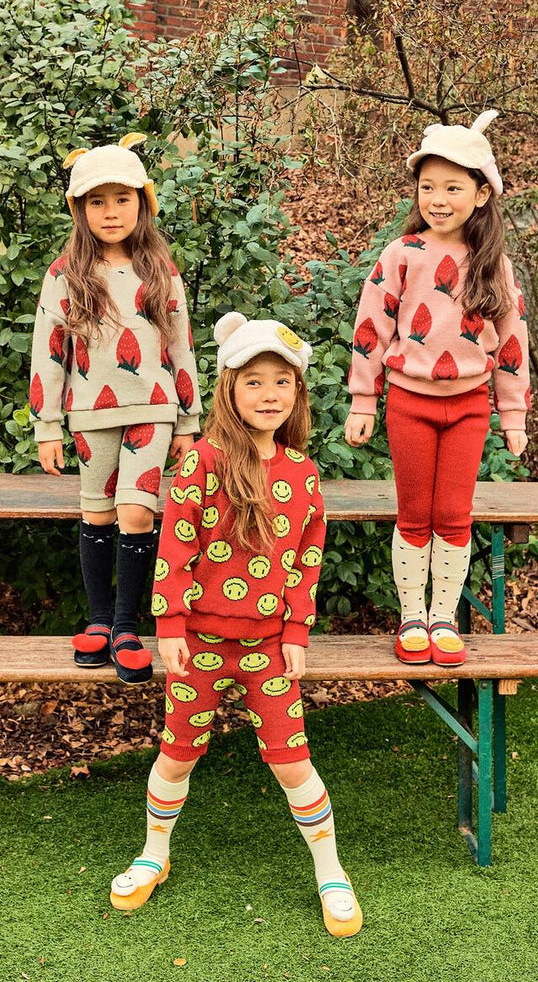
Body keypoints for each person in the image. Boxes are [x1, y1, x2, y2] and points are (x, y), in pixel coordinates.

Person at [109, 313, 363, 939]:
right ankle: (154, 853)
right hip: (197, 644)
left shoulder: (303, 473)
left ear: (298, 391)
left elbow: (307, 560)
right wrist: (169, 625)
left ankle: (330, 869)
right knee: (176, 754)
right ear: (229, 387)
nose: (269, 394)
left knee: (291, 761)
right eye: (254, 381)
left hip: (269, 649)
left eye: (282, 381)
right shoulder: (202, 462)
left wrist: (297, 631)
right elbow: (175, 546)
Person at [345, 111, 529, 666]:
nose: (438, 199)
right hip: (409, 403)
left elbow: (512, 342)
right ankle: (412, 618)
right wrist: (363, 400)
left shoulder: (493, 264)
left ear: (481, 194)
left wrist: (513, 415)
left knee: (453, 514)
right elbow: (371, 328)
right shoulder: (402, 254)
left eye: (453, 187)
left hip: (469, 408)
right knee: (413, 514)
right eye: (428, 187)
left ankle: (443, 618)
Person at [30, 136, 201, 684]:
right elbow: (48, 354)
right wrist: (47, 426)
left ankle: (128, 625)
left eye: (122, 199)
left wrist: (189, 420)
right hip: (89, 415)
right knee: (98, 514)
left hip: (153, 409)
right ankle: (99, 620)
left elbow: (181, 347)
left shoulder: (161, 271)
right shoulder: (65, 274)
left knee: (137, 512)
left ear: (143, 203)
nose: (110, 212)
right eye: (97, 201)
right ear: (79, 209)